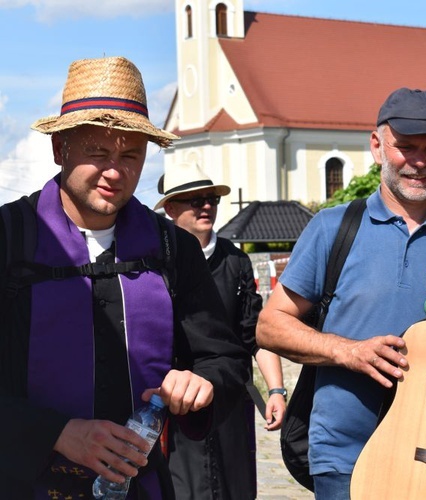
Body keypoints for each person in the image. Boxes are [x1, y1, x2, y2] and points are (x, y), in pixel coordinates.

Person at [256, 87, 426, 498]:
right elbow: (269, 327)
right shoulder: (334, 228)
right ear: (376, 146)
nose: (419, 162)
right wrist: (345, 351)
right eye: (405, 147)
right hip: (344, 455)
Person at [0, 56, 249, 499]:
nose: (115, 172)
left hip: (142, 486)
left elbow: (224, 358)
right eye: (97, 152)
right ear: (61, 150)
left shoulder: (173, 248)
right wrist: (54, 432)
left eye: (131, 155)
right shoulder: (8, 239)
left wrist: (201, 381)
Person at [155, 162, 287, 499]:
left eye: (211, 198)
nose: (206, 206)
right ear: (171, 208)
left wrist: (275, 391)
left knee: (235, 487)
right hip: (175, 403)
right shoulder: (154, 260)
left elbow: (255, 333)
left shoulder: (235, 260)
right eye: (195, 200)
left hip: (228, 399)